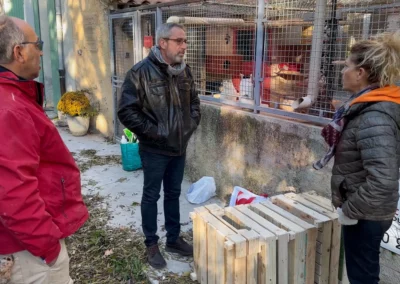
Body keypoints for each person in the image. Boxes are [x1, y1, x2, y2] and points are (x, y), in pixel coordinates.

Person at [0, 16, 88, 283]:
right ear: (19, 52)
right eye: (36, 44)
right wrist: (48, 247)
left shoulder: (14, 98)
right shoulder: (10, 108)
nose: (40, 51)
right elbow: (12, 194)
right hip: (28, 252)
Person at [314, 32, 400, 284]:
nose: (343, 72)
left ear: (360, 73)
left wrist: (349, 211)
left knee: (362, 277)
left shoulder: (375, 116)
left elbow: (382, 180)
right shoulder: (365, 106)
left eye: (348, 67)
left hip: (366, 215)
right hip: (366, 211)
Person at [118, 23, 201, 269]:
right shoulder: (140, 73)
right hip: (154, 149)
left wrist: (189, 126)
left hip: (179, 147)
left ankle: (173, 239)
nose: (184, 46)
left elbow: (195, 102)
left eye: (185, 41)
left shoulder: (185, 72)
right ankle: (151, 244)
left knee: (174, 194)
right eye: (179, 41)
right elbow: (126, 111)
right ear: (163, 43)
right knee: (151, 196)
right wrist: (155, 133)